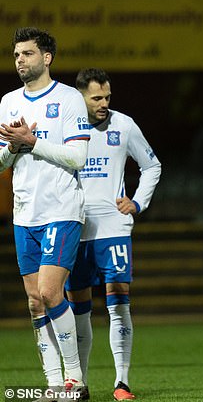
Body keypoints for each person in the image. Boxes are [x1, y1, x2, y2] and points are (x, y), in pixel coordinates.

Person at [0, 27, 90, 394]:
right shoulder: (8, 102)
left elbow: (78, 157)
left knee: (52, 293)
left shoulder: (69, 99)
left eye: (27, 53)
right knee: (35, 301)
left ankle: (75, 378)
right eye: (16, 54)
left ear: (47, 57)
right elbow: (0, 161)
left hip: (62, 209)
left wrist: (32, 141)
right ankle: (53, 383)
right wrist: (15, 148)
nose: (20, 59)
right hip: (25, 213)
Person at [65, 68, 161, 401]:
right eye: (96, 98)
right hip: (74, 225)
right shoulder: (66, 126)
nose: (104, 103)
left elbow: (152, 166)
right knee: (78, 306)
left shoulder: (124, 125)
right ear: (81, 97)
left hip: (113, 226)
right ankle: (79, 383)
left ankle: (122, 382)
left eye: (107, 96)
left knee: (118, 298)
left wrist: (137, 202)